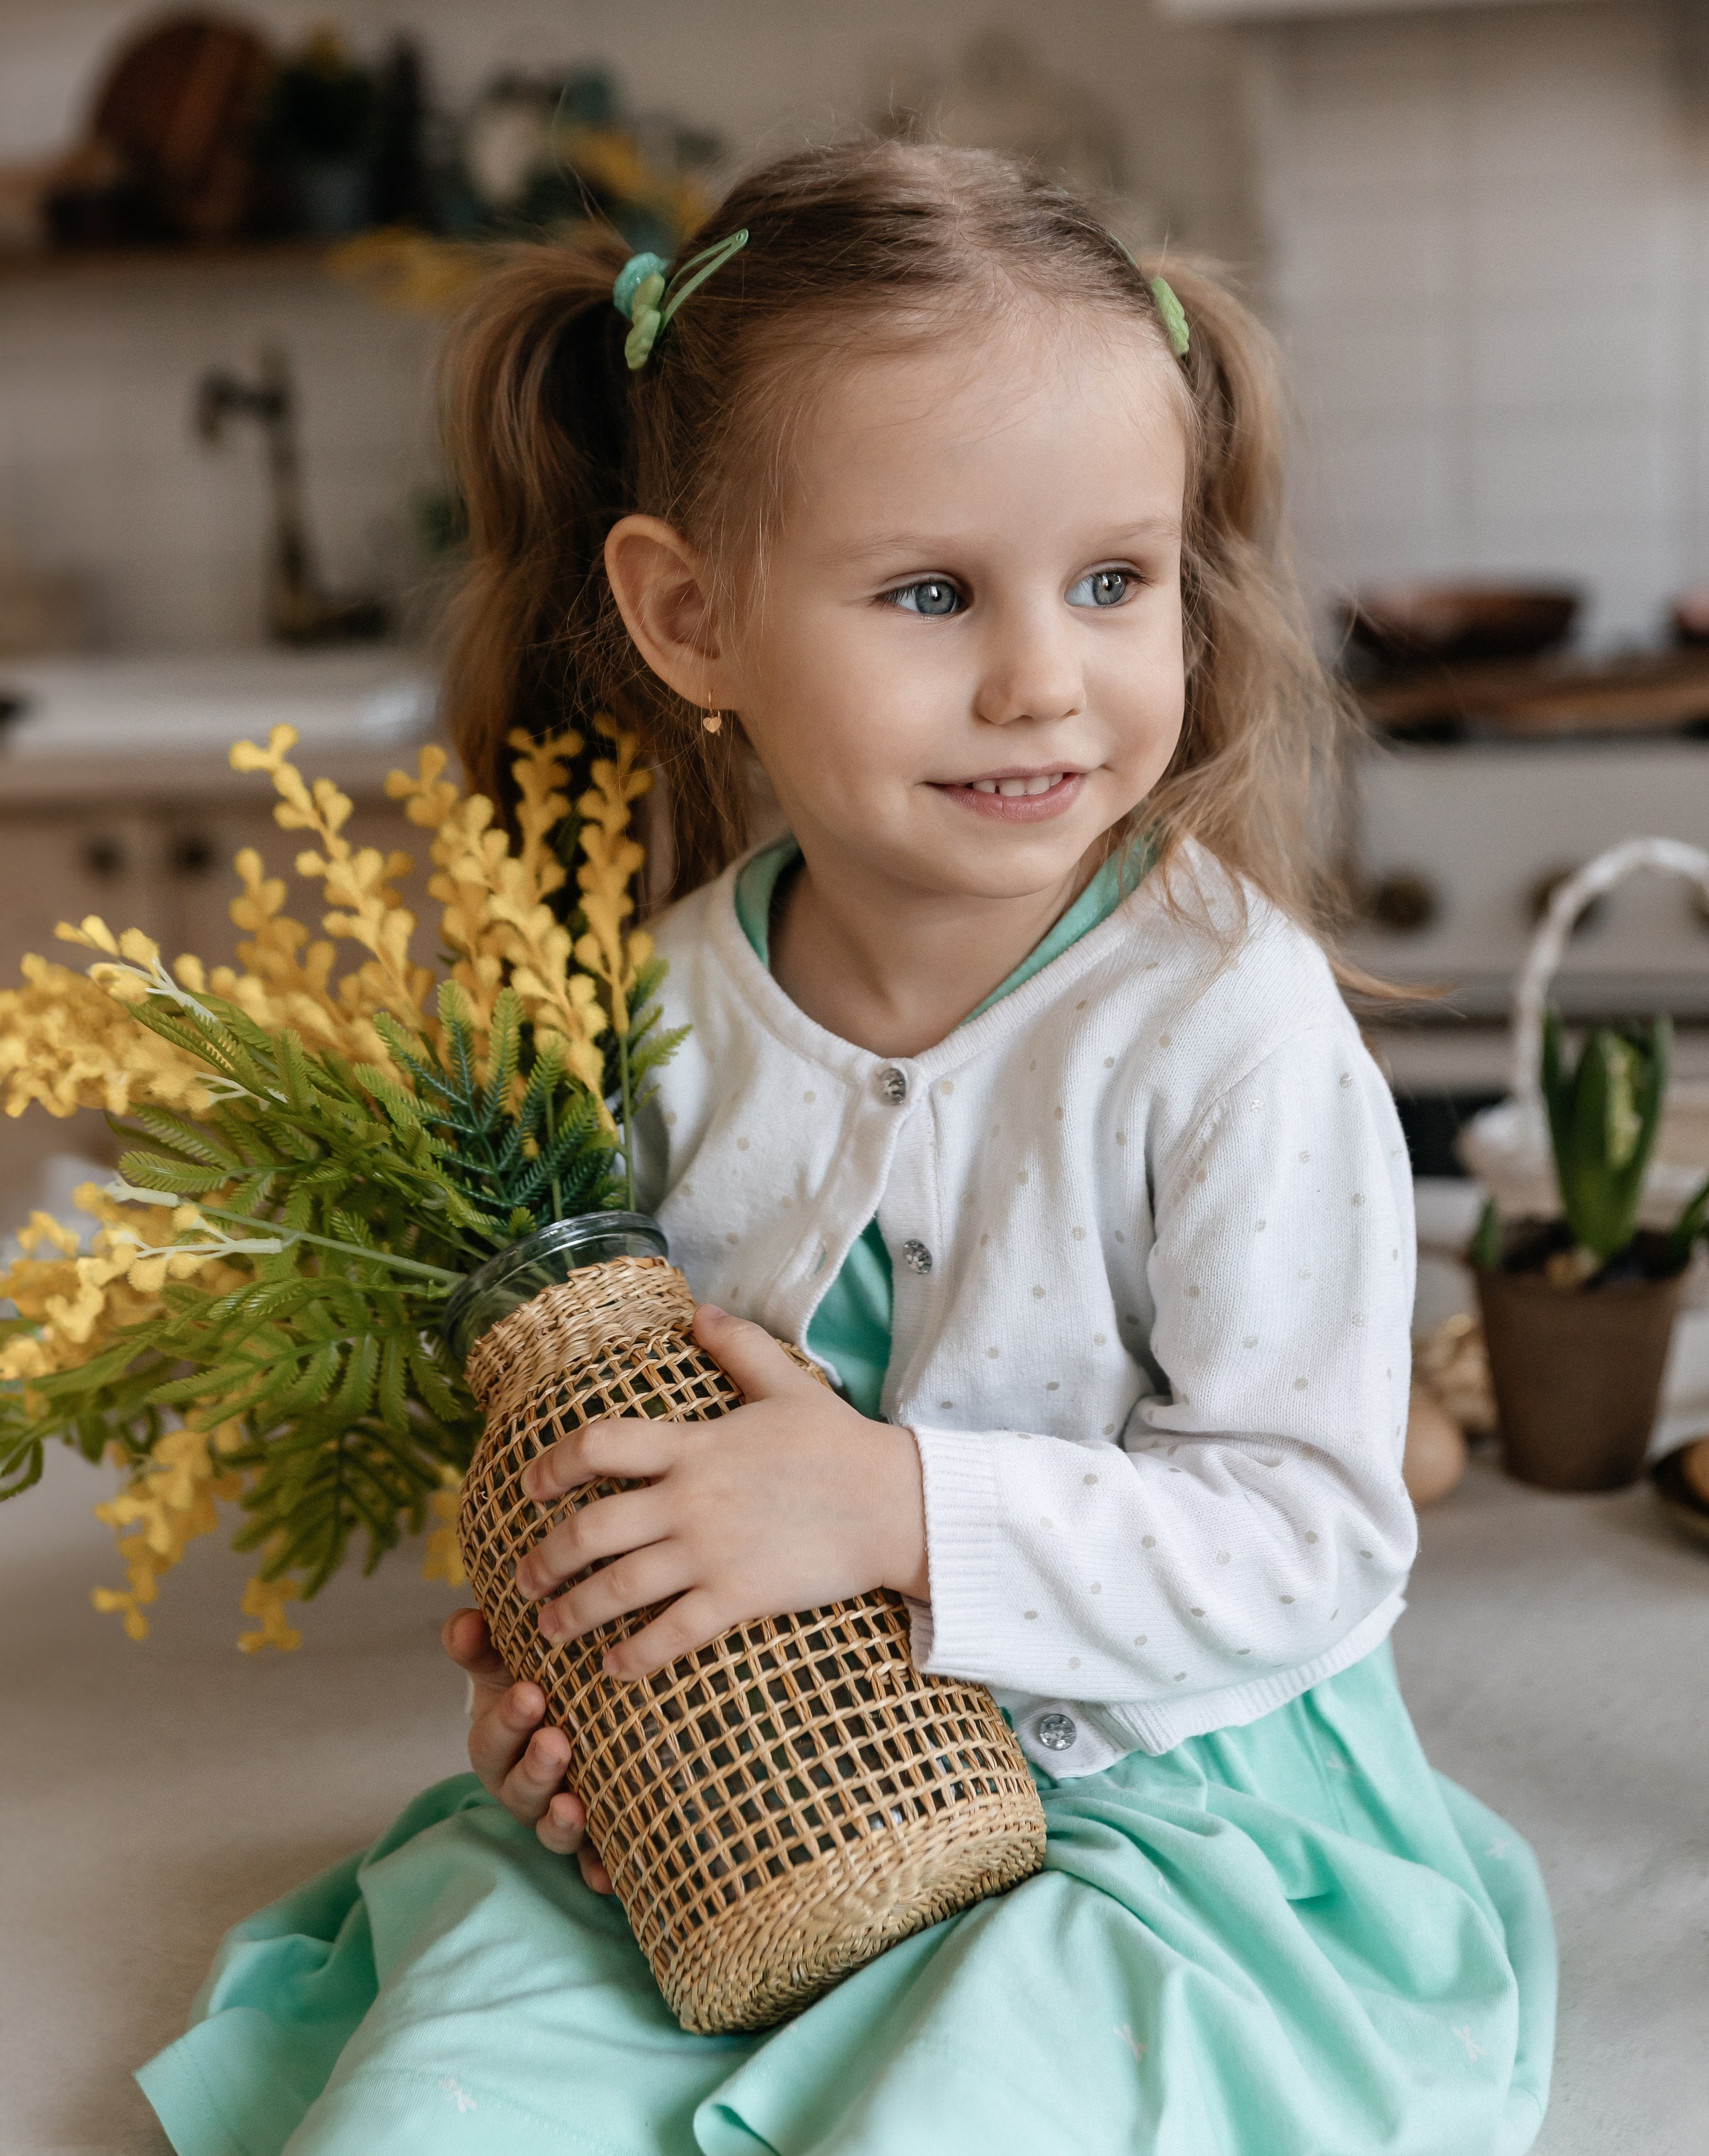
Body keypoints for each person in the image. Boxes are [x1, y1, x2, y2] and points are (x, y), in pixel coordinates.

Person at [138, 142, 1555, 2156]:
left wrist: (892, 1509)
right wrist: (572, 1690)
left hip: (1145, 1812)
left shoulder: (1224, 1024)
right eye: (927, 592)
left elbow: (1313, 1541)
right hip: (757, 1794)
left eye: (1112, 581)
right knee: (437, 2096)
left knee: (974, 2107)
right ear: (690, 616)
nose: (1042, 677)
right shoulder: (651, 1011)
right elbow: (621, 1461)